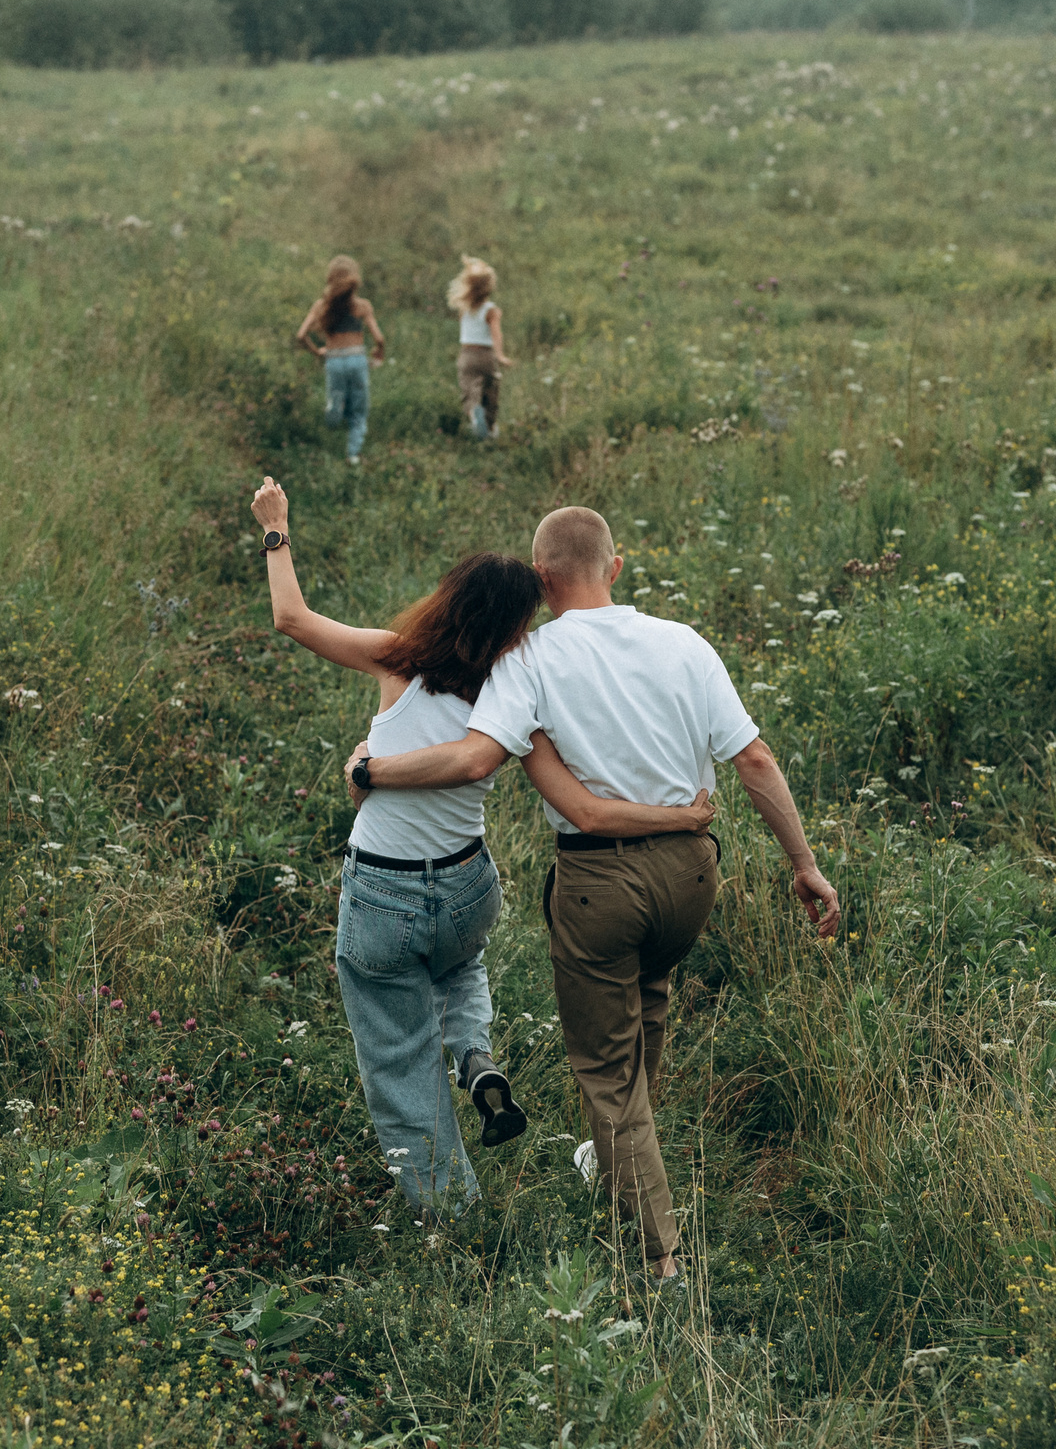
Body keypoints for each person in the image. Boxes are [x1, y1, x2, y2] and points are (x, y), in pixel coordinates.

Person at [353, 506, 839, 1277]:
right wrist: (804, 864)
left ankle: (658, 1262)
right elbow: (754, 761)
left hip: (599, 881)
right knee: (649, 1002)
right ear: (615, 567)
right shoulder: (685, 643)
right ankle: (616, 1166)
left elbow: (478, 757)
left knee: (606, 1075)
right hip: (693, 875)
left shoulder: (531, 658)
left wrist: (371, 769)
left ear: (540, 581)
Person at [248, 478, 713, 1216]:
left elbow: (291, 618)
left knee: (399, 1059)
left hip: (383, 889)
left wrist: (277, 529)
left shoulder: (400, 659)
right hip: (468, 886)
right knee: (459, 959)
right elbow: (584, 808)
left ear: (448, 598)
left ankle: (456, 1215)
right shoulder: (514, 689)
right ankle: (473, 1054)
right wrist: (680, 820)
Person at [294, 255, 386, 465]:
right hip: (357, 359)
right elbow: (379, 338)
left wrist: (317, 352)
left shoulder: (320, 307)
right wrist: (379, 351)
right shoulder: (362, 306)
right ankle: (352, 454)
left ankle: (332, 426)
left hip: (334, 360)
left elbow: (301, 335)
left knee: (335, 399)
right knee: (359, 410)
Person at [447, 255, 509, 441]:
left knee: (470, 391)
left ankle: (475, 415)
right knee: (491, 391)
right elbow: (496, 334)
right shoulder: (492, 310)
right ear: (490, 287)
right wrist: (500, 355)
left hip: (467, 355)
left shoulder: (464, 309)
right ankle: (491, 428)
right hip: (486, 355)